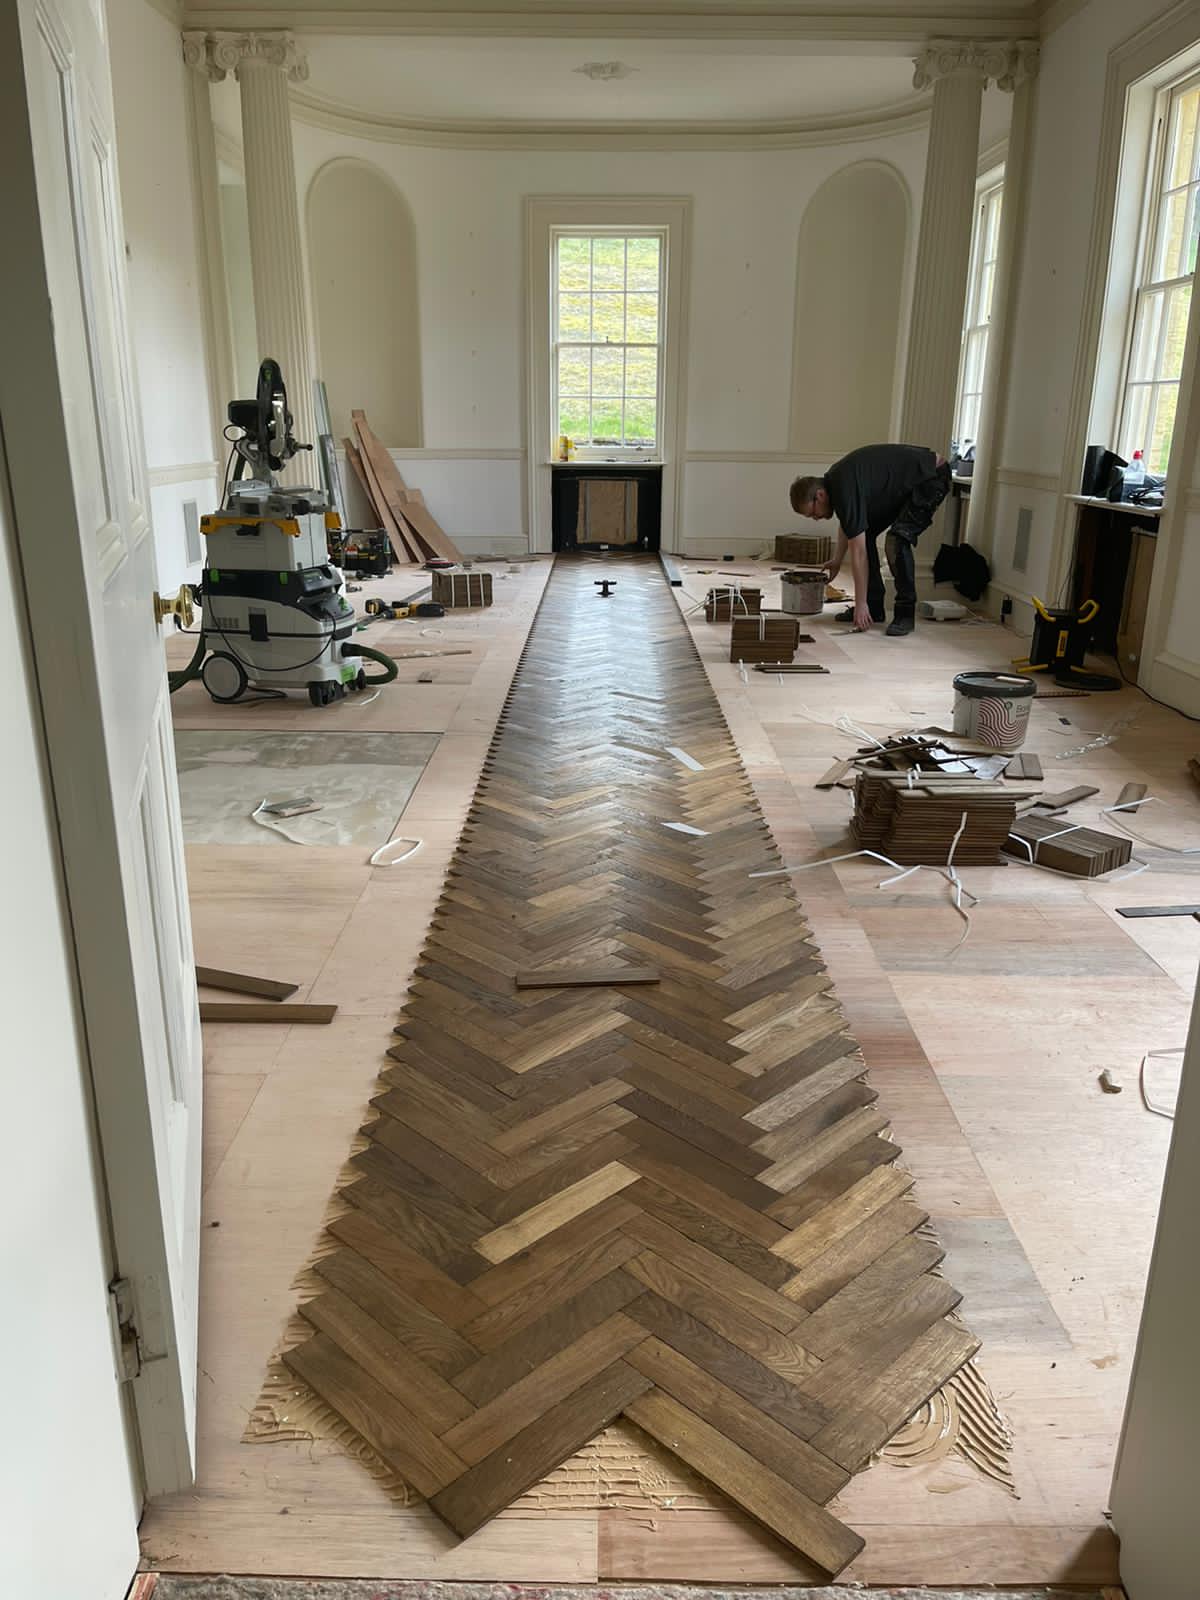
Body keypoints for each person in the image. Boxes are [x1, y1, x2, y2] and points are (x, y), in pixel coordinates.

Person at [789, 444, 951, 635]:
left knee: (897, 539)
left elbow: (858, 553)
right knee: (867, 535)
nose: (815, 518)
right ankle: (874, 607)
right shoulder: (836, 484)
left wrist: (860, 604)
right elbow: (849, 525)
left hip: (930, 477)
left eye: (812, 513)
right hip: (910, 483)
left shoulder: (842, 486)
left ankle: (905, 614)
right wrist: (837, 560)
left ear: (820, 495)